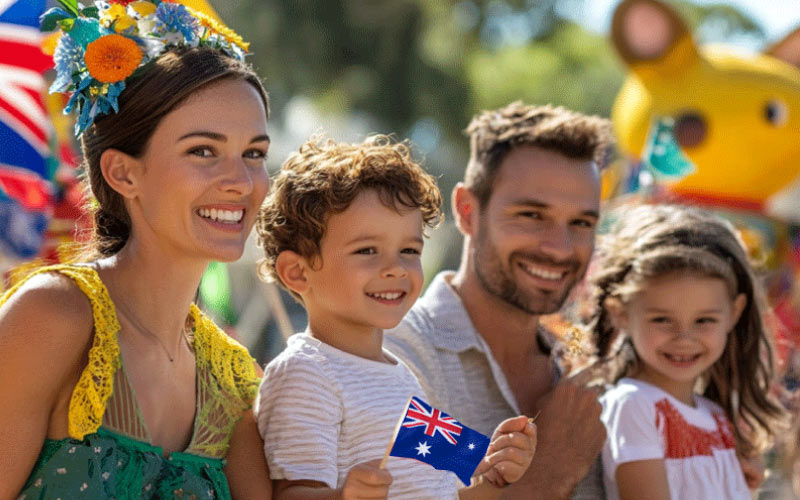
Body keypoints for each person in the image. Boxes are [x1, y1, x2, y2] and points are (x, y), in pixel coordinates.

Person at [0, 2, 272, 498]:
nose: (241, 181)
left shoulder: (235, 381)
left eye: (254, 153)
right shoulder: (52, 316)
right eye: (203, 151)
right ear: (123, 173)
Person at [254, 135, 537, 500]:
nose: (395, 268)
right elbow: (292, 493)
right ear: (297, 272)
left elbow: (454, 491)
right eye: (367, 250)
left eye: (409, 250)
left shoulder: (402, 376)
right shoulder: (305, 374)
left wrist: (498, 472)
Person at [384, 101, 611, 499]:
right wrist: (552, 467)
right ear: (468, 211)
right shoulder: (399, 359)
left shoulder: (584, 369)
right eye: (531, 215)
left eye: (581, 223)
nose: (559, 249)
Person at [586, 204, 786, 500]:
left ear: (734, 313)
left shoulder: (716, 416)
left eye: (703, 320)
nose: (684, 338)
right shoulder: (633, 405)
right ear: (621, 313)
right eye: (662, 319)